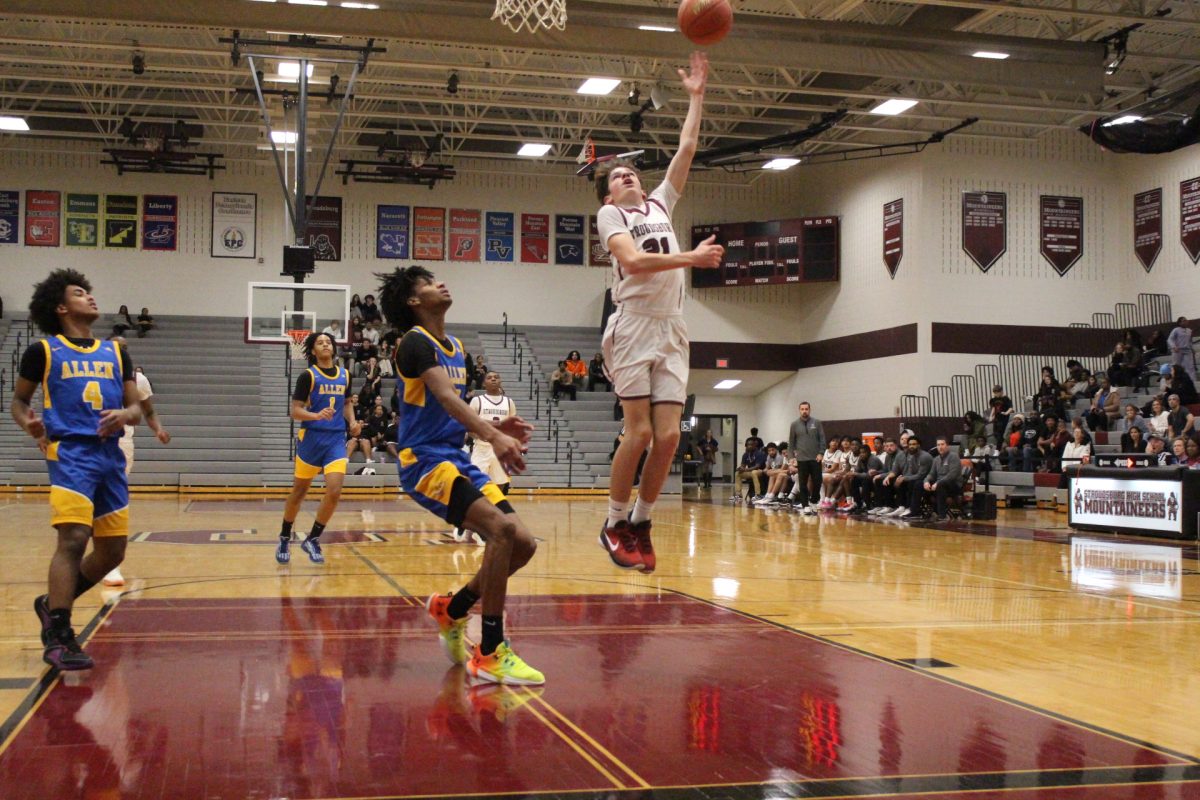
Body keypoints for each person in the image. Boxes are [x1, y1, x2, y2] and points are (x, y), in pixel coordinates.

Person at [379, 264, 542, 685]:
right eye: (429, 283)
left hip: (455, 455)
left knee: (522, 544)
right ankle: (489, 651)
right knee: (500, 532)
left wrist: (496, 428)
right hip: (425, 462)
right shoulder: (414, 343)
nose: (441, 284)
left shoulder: (454, 346)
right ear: (415, 301)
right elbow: (446, 397)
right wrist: (491, 434)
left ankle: (452, 609)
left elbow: (456, 404)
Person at [595, 51, 723, 574]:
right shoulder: (611, 215)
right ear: (608, 192)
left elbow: (687, 148)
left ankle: (642, 523)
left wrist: (696, 96)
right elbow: (634, 260)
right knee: (641, 433)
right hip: (633, 328)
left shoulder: (661, 205)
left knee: (671, 436)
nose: (626, 177)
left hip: (672, 328)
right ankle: (612, 522)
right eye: (617, 176)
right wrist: (691, 257)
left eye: (631, 173)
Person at [12, 269, 143, 670]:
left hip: (109, 455)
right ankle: (59, 633)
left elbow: (138, 407)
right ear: (61, 306)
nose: (90, 297)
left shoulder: (116, 351)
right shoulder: (43, 351)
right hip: (69, 453)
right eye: (80, 292)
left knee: (111, 552)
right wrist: (28, 422)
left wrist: (125, 413)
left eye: (88, 291)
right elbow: (18, 402)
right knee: (73, 538)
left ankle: (52, 605)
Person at [277, 332, 362, 566]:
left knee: (334, 491)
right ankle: (285, 535)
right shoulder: (308, 376)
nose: (325, 344)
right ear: (313, 351)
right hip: (311, 438)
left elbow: (345, 404)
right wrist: (315, 415)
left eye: (328, 342)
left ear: (333, 349)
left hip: (335, 439)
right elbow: (295, 411)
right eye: (320, 343)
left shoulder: (345, 375)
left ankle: (313, 539)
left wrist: (352, 423)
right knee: (299, 492)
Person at [104, 355, 171, 586]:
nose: (121, 350)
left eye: (124, 347)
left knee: (113, 502)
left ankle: (111, 566)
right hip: (86, 441)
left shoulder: (138, 379)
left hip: (121, 443)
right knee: (86, 505)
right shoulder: (92, 371)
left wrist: (158, 430)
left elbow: (148, 411)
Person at [454, 371, 517, 543]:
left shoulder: (509, 402)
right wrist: (476, 435)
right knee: (474, 486)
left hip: (499, 451)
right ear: (484, 383)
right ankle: (464, 522)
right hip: (481, 449)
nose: (494, 379)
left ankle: (486, 525)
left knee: (499, 488)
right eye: (489, 377)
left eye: (496, 376)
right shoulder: (477, 401)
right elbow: (468, 424)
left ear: (500, 380)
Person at [786, 402, 825, 514]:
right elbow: (791, 443)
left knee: (818, 481)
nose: (804, 411)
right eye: (802, 409)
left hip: (815, 458)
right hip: (802, 459)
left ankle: (813, 501)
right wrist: (791, 457)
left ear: (810, 410)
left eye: (806, 409)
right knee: (802, 483)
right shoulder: (794, 424)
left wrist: (821, 453)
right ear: (799, 410)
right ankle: (805, 505)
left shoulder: (817, 423)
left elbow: (822, 439)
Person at [922, 437, 963, 522]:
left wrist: (937, 483)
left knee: (941, 485)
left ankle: (942, 515)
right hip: (940, 485)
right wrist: (926, 481)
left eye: (942, 444)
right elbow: (931, 474)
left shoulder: (953, 456)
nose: (940, 447)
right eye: (938, 445)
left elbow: (952, 475)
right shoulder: (936, 459)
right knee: (922, 484)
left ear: (947, 446)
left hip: (954, 486)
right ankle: (931, 511)